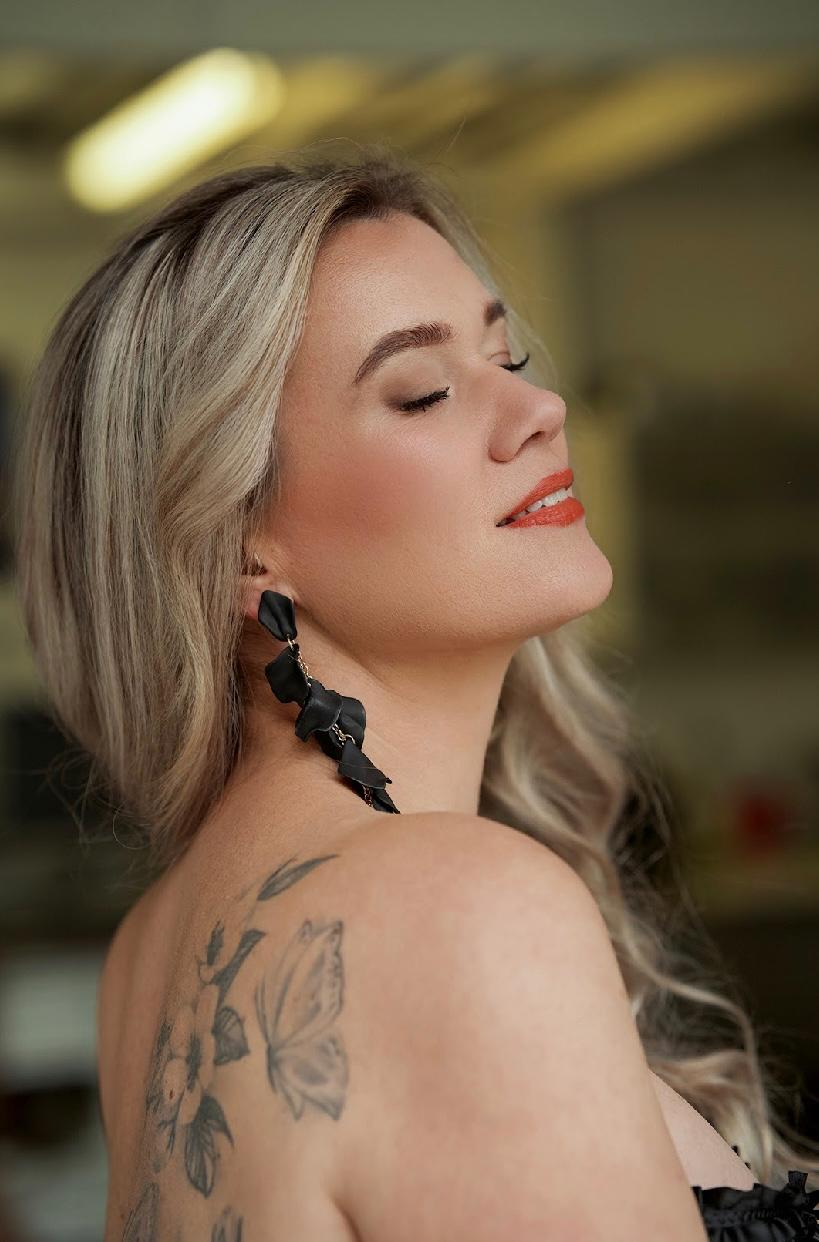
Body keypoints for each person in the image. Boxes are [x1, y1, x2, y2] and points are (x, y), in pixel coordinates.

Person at [12, 145, 819, 1241]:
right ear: (238, 540)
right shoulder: (456, 905)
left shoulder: (151, 956)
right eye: (424, 391)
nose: (540, 406)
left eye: (507, 355)